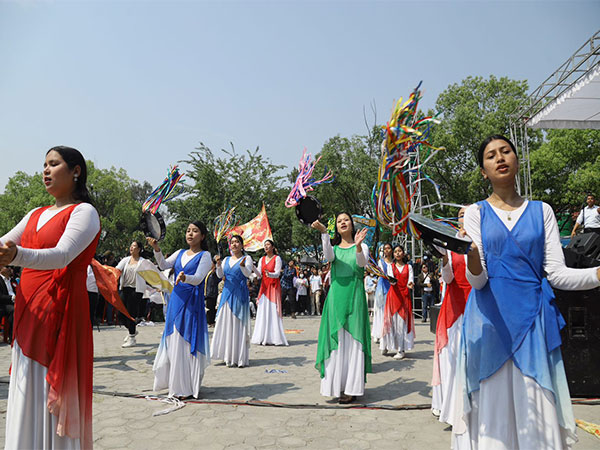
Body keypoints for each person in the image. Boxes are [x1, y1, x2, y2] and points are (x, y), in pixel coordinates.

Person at [450, 135, 600, 449]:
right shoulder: (475, 212)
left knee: (538, 415)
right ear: (483, 171)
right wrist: (473, 256)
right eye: (491, 155)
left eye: (506, 151)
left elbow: (557, 274)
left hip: (532, 322)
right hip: (490, 323)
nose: (500, 158)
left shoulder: (542, 211)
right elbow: (478, 281)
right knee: (493, 417)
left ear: (517, 161)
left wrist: (597, 273)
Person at [0, 146, 100, 448]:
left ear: (75, 171)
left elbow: (62, 256)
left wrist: (16, 255)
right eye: (44, 164)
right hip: (28, 312)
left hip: (62, 310)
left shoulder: (84, 213)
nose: (46, 170)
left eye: (53, 164)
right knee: (26, 384)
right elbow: (5, 243)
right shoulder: (35, 214)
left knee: (50, 389)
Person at [147, 221, 212, 399]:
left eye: (195, 231)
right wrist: (156, 248)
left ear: (203, 236)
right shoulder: (180, 253)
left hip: (192, 302)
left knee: (187, 341)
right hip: (176, 300)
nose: (190, 234)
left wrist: (185, 277)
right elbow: (163, 265)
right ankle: (174, 384)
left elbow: (198, 278)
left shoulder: (205, 255)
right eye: (188, 230)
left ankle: (186, 387)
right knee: (174, 339)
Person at [312, 213, 371, 404]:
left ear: (352, 225)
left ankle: (352, 388)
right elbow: (328, 256)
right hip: (336, 298)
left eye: (346, 220)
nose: (343, 222)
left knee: (353, 342)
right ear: (336, 227)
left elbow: (362, 263)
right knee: (337, 342)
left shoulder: (363, 246)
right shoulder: (334, 248)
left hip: (355, 297)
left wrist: (359, 245)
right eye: (339, 221)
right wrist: (323, 233)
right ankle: (335, 385)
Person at [431, 206, 471, 420]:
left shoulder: (482, 243)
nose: (464, 218)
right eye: (461, 215)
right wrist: (445, 258)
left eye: (468, 214)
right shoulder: (451, 245)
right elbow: (447, 279)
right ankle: (450, 405)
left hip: (477, 306)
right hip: (454, 308)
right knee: (452, 357)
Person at [211, 235, 254, 367]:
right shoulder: (226, 260)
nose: (234, 244)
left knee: (238, 324)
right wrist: (218, 265)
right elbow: (220, 275)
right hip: (227, 294)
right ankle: (226, 355)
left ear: (242, 245)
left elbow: (247, 274)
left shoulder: (247, 258)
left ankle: (238, 357)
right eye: (232, 242)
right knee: (225, 323)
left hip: (239, 294)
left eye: (237, 242)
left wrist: (242, 266)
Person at [251, 239, 288, 346]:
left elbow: (277, 274)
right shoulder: (261, 259)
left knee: (272, 310)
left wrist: (269, 274)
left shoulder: (277, 258)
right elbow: (259, 274)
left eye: (268, 245)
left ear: (272, 247)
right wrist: (253, 268)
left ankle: (274, 337)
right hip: (264, 288)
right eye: (265, 245)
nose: (266, 247)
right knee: (263, 310)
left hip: (273, 287)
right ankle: (261, 336)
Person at [380, 245, 414, 359]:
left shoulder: (409, 267)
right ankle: (386, 345)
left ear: (403, 253)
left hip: (404, 297)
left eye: (400, 251)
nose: (398, 253)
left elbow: (411, 280)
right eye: (396, 252)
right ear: (393, 254)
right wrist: (392, 281)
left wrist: (410, 284)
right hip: (393, 297)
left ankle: (401, 349)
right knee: (390, 322)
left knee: (401, 324)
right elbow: (391, 280)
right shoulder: (391, 266)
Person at [115, 241, 148, 348]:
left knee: (131, 314)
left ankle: (132, 337)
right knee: (120, 314)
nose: (131, 248)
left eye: (134, 246)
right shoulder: (126, 260)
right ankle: (131, 329)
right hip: (125, 289)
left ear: (139, 249)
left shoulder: (143, 262)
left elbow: (151, 274)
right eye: (131, 246)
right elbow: (116, 270)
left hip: (136, 290)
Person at [372, 243, 393, 343]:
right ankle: (377, 333)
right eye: (385, 249)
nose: (387, 250)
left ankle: (388, 333)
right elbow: (381, 273)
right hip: (382, 289)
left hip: (391, 290)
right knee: (380, 311)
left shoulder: (394, 264)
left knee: (388, 313)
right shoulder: (381, 262)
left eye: (389, 248)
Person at [204, 255, 221, 327]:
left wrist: (217, 262)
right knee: (208, 308)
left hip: (212, 293)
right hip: (207, 293)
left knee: (212, 309)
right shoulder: (209, 272)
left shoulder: (214, 273)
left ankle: (212, 322)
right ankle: (209, 321)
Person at [0, 265, 16, 343]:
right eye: (7, 267)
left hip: (13, 303)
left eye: (11, 267)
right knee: (13, 310)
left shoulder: (13, 281)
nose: (10, 269)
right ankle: (10, 336)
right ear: (1, 269)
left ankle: (13, 337)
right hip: (2, 304)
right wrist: (12, 298)